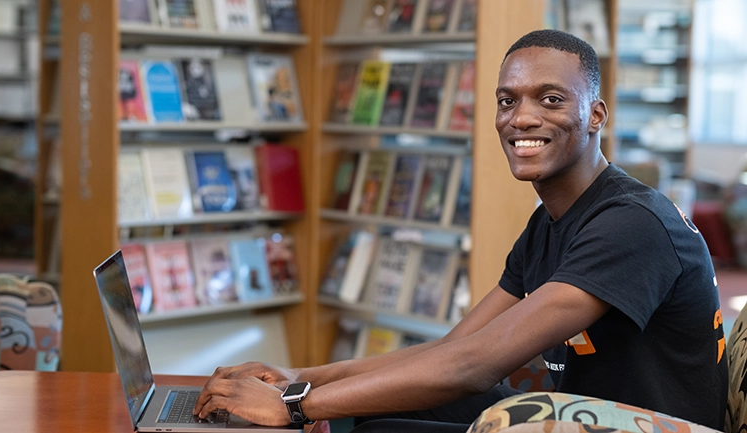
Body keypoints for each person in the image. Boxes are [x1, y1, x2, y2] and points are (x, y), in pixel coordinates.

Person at [192, 29, 728, 432]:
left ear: (595, 114)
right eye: (507, 100)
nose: (521, 118)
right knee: (383, 416)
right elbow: (452, 349)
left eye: (551, 99)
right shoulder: (551, 223)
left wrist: (293, 405)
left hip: (641, 427)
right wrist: (300, 377)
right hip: (577, 418)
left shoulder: (632, 225)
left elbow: (476, 365)